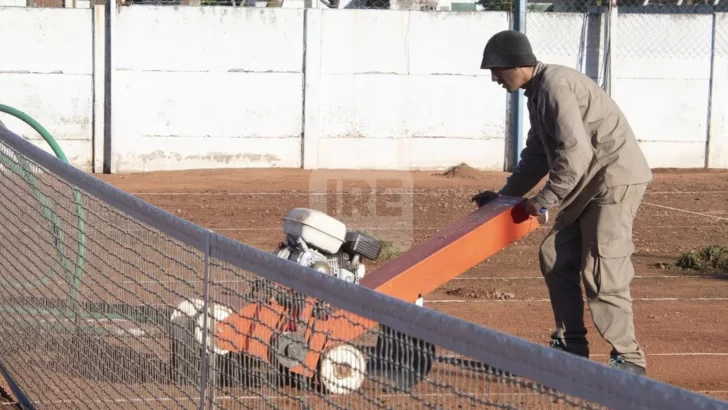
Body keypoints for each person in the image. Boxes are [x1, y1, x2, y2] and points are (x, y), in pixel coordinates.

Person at [471, 30, 653, 376]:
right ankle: (572, 347)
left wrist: (542, 201)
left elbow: (576, 155)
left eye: (496, 70)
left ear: (517, 64)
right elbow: (538, 155)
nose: (494, 78)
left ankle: (629, 359)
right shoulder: (537, 93)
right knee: (555, 254)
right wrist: (507, 195)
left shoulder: (555, 86)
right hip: (588, 183)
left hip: (612, 181)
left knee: (602, 268)